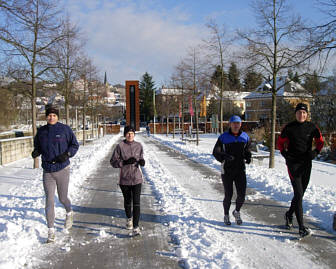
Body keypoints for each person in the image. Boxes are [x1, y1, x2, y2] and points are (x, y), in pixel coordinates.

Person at [32, 106, 79, 243]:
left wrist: (67, 155)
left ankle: (69, 212)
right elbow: (38, 146)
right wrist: (36, 152)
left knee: (63, 197)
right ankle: (51, 230)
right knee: (49, 200)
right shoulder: (41, 131)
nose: (51, 117)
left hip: (62, 169)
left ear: (58, 117)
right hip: (48, 170)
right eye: (49, 115)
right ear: (46, 117)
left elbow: (74, 145)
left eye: (54, 115)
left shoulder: (65, 129)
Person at [277, 102, 324, 237]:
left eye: (304, 113)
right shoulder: (289, 127)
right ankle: (301, 228)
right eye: (299, 112)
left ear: (307, 115)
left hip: (306, 164)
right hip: (293, 164)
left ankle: (289, 214)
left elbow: (320, 142)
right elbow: (280, 143)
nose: (301, 115)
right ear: (295, 114)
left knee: (300, 194)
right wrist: (285, 154)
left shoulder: (312, 127)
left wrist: (315, 153)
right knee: (298, 194)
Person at [212, 115, 251, 226]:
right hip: (227, 170)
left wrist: (248, 157)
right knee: (229, 194)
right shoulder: (223, 137)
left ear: (240, 124)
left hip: (240, 169)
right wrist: (224, 156)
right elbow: (215, 152)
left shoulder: (245, 137)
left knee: (242, 195)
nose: (235, 125)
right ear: (230, 124)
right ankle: (226, 215)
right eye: (233, 123)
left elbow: (247, 150)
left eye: (237, 123)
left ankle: (236, 211)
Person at [110, 126, 145, 236]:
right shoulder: (120, 146)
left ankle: (136, 227)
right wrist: (124, 163)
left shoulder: (138, 146)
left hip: (137, 178)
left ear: (134, 134)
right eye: (128, 133)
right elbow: (113, 162)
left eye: (132, 133)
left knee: (136, 202)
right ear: (125, 134)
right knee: (127, 201)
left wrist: (142, 161)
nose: (130, 135)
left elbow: (140, 157)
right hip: (124, 179)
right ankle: (129, 218)